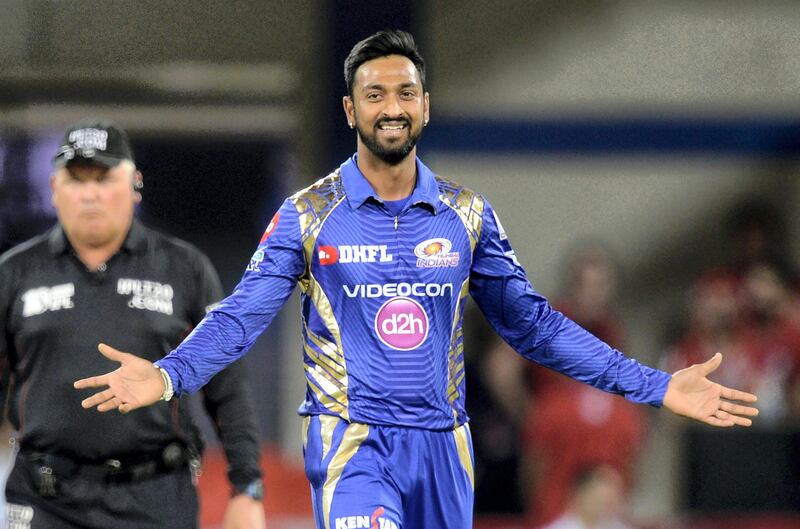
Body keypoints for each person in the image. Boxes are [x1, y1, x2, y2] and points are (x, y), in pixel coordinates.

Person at [74, 31, 759, 529]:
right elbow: (242, 315)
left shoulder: (467, 215)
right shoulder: (307, 216)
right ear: (350, 110)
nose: (391, 107)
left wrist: (656, 383)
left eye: (405, 92)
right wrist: (168, 375)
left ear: (426, 106)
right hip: (353, 442)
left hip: (443, 448)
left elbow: (536, 327)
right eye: (375, 95)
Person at [0, 120, 266, 529]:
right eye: (75, 179)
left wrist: (246, 489)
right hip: (43, 499)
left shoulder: (185, 269)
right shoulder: (14, 272)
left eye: (104, 177)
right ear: (54, 189)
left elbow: (227, 388)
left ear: (134, 184)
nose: (90, 193)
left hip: (156, 497)